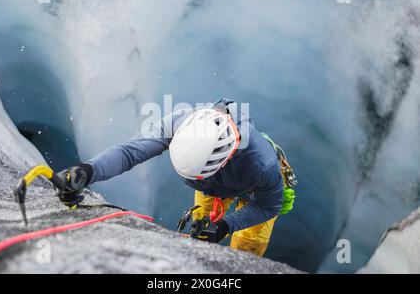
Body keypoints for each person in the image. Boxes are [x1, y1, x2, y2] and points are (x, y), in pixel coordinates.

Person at [56, 98, 293, 257]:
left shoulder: (261, 163)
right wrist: (87, 171)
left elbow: (267, 206)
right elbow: (131, 152)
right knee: (201, 232)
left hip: (254, 192)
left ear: (224, 160)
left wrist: (227, 226)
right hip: (213, 186)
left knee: (246, 250)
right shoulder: (179, 123)